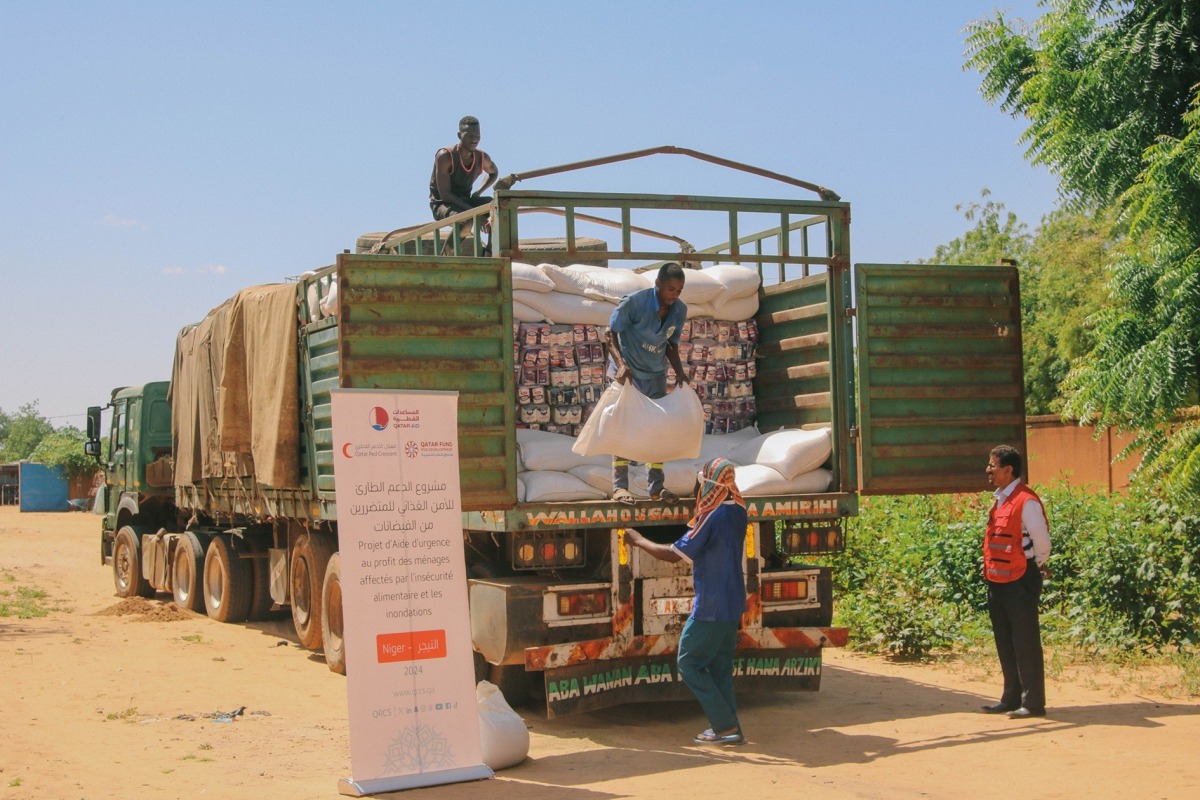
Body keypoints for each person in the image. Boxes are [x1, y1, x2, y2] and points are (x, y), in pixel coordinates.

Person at [623, 457, 748, 745]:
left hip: (711, 603)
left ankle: (725, 727)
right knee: (719, 668)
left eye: (700, 483)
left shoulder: (712, 517)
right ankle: (729, 728)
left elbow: (674, 553)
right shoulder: (739, 511)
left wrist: (639, 539)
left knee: (689, 663)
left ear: (710, 485)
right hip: (733, 600)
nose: (697, 490)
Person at [606, 261, 690, 504]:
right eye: (670, 289)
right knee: (624, 428)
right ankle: (620, 487)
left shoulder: (679, 310)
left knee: (656, 430)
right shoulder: (635, 303)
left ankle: (656, 488)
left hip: (655, 375)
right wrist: (621, 364)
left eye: (679, 290)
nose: (674, 295)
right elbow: (609, 333)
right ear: (658, 285)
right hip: (628, 374)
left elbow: (671, 345)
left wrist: (680, 373)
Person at [980, 444, 1052, 719]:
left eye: (992, 465)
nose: (988, 470)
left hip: (1021, 579)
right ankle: (1010, 698)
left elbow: (1042, 540)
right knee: (1005, 640)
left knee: (1025, 640)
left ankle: (1033, 704)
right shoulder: (1001, 498)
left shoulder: (1026, 500)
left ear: (1008, 470)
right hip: (998, 579)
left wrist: (1038, 564)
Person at [429, 116, 499, 239]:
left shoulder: (481, 157)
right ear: (459, 135)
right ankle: (447, 253)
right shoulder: (445, 156)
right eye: (469, 135)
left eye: (477, 135)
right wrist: (475, 213)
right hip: (443, 205)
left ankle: (490, 250)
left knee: (496, 207)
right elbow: (445, 195)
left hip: (465, 202)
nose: (474, 140)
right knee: (466, 220)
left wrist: (478, 192)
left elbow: (493, 172)